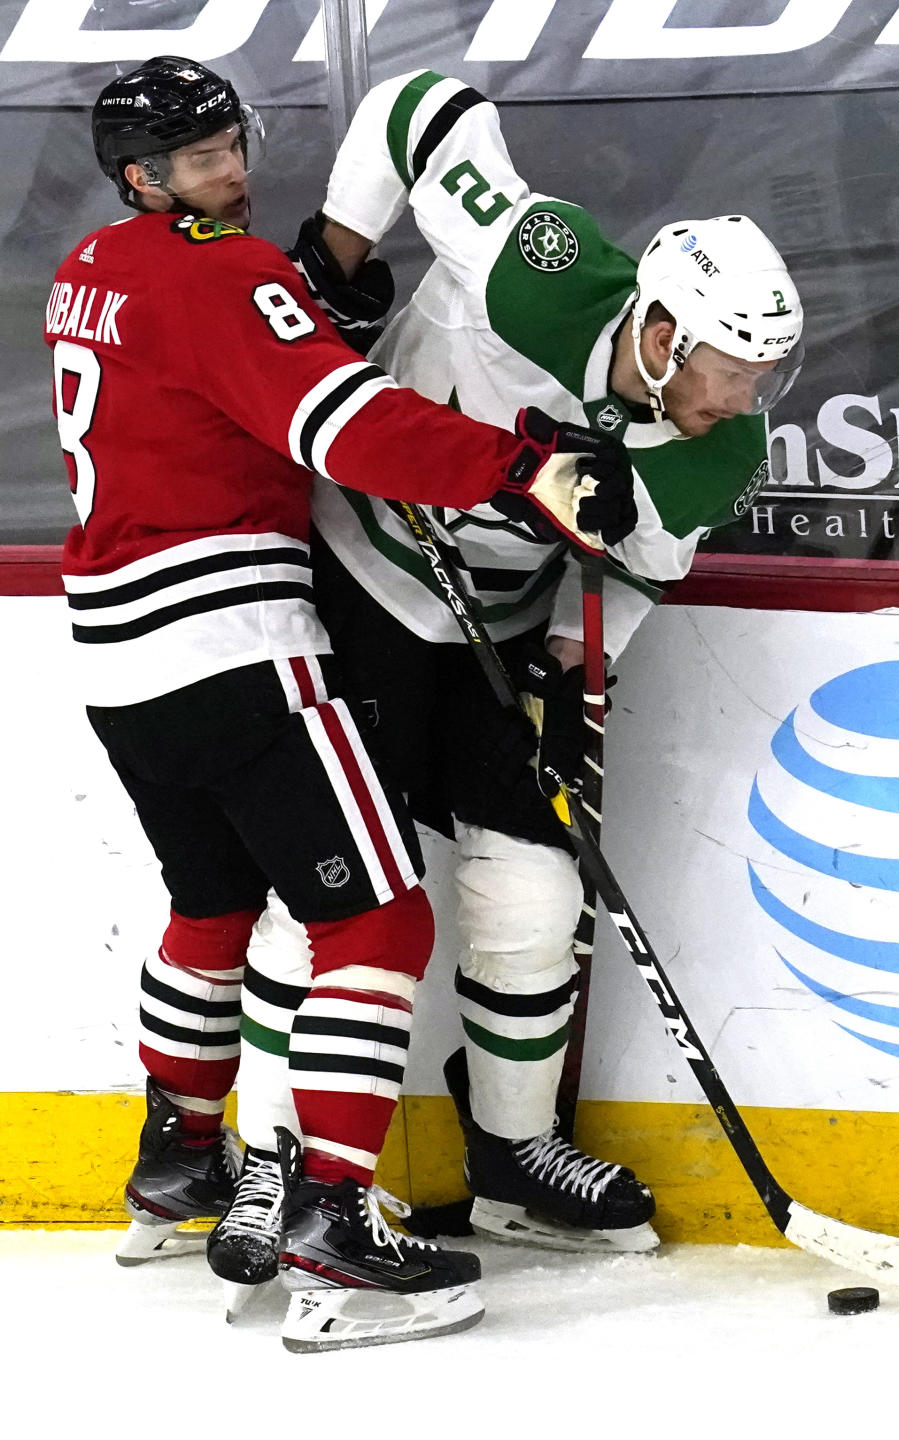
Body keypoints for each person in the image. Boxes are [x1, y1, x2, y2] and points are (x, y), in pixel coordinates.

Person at [44, 55, 640, 1353]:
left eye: (231, 144)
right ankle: (333, 1225)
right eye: (201, 160)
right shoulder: (227, 275)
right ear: (147, 177)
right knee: (379, 924)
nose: (233, 170)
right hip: (234, 640)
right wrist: (524, 464)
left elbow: (217, 365)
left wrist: (308, 298)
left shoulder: (93, 269)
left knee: (212, 904)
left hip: (114, 658)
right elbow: (346, 427)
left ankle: (180, 1162)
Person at [226, 69, 804, 1270]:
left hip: (497, 630)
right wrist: (335, 258)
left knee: (535, 896)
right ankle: (268, 1163)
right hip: (359, 582)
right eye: (735, 371)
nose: (750, 403)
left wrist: (562, 672)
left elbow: (640, 570)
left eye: (764, 377)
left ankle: (512, 1159)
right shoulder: (538, 267)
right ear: (661, 331)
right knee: (325, 893)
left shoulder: (716, 448)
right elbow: (412, 107)